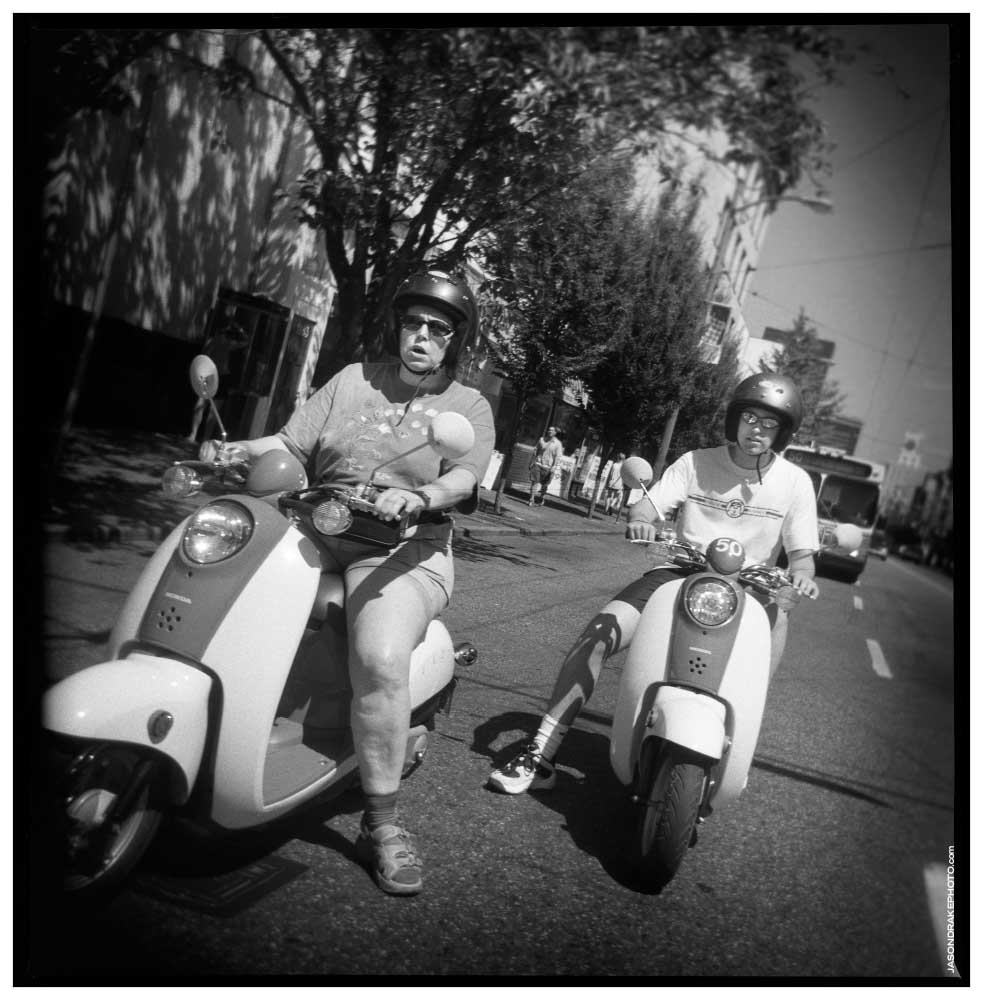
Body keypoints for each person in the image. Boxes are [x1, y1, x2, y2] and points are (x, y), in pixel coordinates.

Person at [201, 271, 495, 893]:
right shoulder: (352, 379)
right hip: (315, 522)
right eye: (413, 322)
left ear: (455, 340)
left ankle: (382, 823)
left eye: (438, 328)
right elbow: (289, 443)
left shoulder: (467, 406)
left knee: (379, 658)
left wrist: (420, 496)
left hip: (403, 544)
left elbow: (464, 478)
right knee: (221, 588)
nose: (422, 335)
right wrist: (238, 450)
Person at [488, 373, 819, 795]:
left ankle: (736, 753)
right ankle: (541, 753)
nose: (757, 430)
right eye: (750, 418)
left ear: (783, 433)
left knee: (772, 636)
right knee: (596, 638)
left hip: (751, 589)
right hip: (681, 572)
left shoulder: (794, 482)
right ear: (735, 418)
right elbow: (648, 506)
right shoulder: (696, 462)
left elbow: (803, 556)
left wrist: (801, 577)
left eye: (770, 424)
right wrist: (642, 521)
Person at [187, 305, 249, 443]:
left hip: (216, 376)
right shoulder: (222, 342)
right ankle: (199, 436)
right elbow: (245, 341)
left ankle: (196, 435)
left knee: (205, 407)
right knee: (206, 407)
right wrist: (239, 329)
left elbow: (244, 342)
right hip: (214, 375)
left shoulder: (220, 341)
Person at [528, 426, 563, 506]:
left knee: (544, 485)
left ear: (555, 433)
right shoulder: (541, 440)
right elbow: (535, 451)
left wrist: (554, 467)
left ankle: (541, 497)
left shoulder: (558, 444)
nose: (550, 431)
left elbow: (557, 457)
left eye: (552, 430)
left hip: (548, 467)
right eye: (549, 430)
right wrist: (531, 462)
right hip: (538, 464)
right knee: (534, 482)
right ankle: (531, 499)